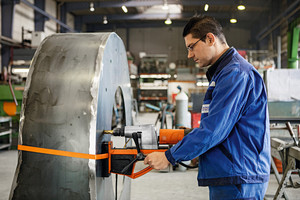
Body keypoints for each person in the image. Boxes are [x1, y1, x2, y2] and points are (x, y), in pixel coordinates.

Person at [144, 15, 271, 200]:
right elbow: (222, 126)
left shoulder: (235, 74)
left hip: (239, 177)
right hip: (233, 174)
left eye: (191, 47)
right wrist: (188, 136)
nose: (189, 55)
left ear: (210, 39)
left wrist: (169, 157)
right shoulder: (224, 73)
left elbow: (214, 130)